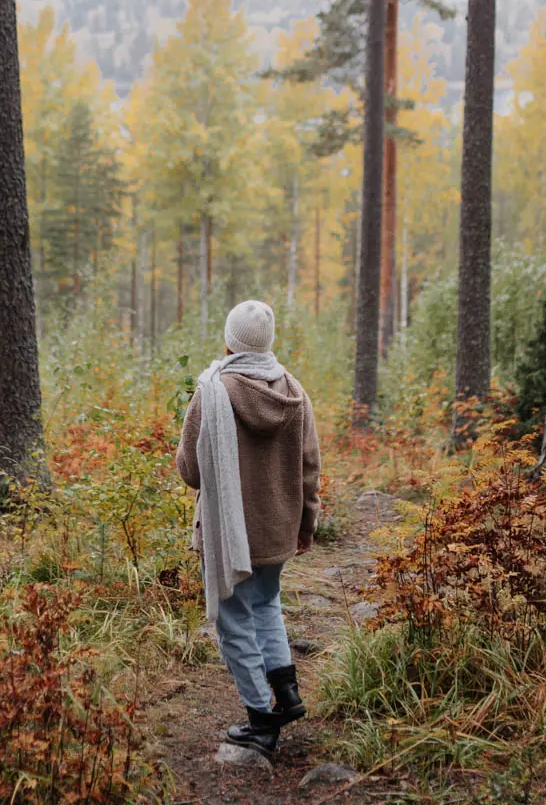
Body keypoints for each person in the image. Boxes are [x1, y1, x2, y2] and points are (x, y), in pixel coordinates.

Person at [175, 299, 322, 759]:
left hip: (229, 532)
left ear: (230, 339)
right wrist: (307, 524)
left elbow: (190, 470)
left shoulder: (212, 390)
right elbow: (309, 468)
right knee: (266, 605)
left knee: (234, 619)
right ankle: (288, 693)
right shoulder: (295, 391)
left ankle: (261, 719)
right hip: (278, 531)